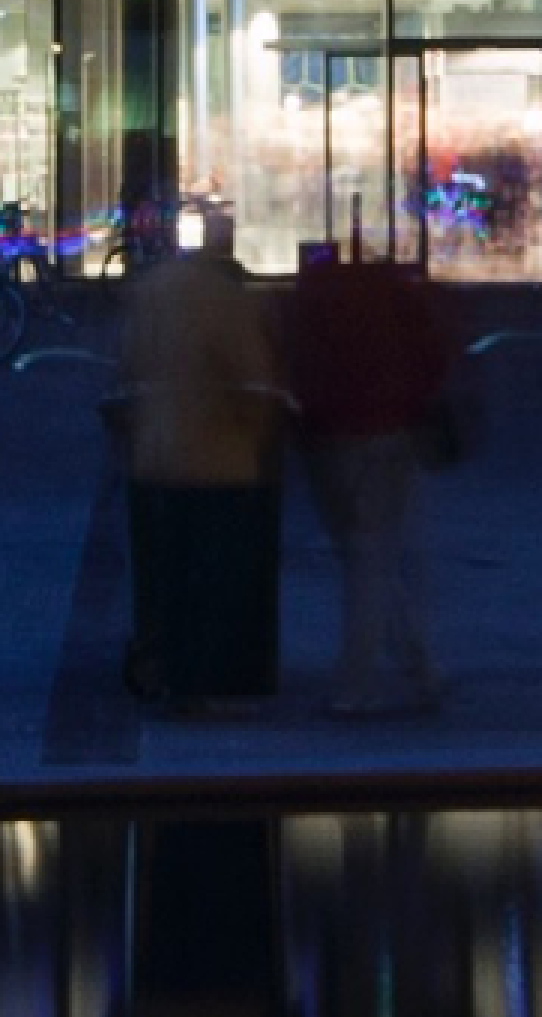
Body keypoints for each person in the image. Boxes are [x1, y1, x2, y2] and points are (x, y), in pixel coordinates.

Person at [278, 238, 465, 720]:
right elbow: (434, 362)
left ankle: (418, 669)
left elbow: (288, 362)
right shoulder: (399, 302)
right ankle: (361, 685)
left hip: (325, 443)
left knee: (363, 558)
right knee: (374, 561)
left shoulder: (312, 302)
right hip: (388, 436)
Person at [113, 218, 288, 707]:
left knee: (161, 572)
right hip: (218, 459)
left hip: (153, 454)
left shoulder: (149, 293)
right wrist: (259, 436)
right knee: (207, 574)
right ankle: (195, 678)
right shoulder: (229, 301)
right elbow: (252, 380)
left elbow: (125, 366)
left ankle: (156, 663)